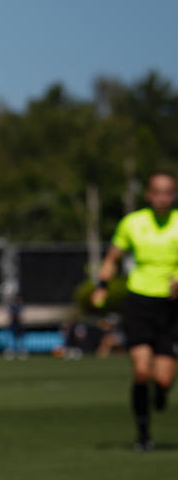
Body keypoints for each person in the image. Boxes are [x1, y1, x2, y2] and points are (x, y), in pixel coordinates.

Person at [91, 170, 178, 451]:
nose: (163, 197)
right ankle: (143, 435)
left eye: (169, 192)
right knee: (141, 371)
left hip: (171, 307)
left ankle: (162, 393)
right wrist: (102, 285)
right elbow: (113, 257)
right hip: (139, 302)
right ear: (149, 195)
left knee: (163, 378)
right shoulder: (133, 223)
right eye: (158, 192)